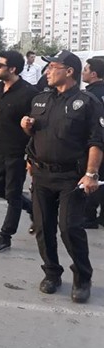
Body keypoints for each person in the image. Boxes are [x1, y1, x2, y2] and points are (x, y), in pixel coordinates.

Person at [21, 50, 103, 303]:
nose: (47, 72)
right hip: (41, 174)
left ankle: (82, 277)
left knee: (69, 228)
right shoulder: (40, 100)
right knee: (43, 228)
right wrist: (27, 130)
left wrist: (91, 174)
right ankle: (51, 273)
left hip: (72, 177)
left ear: (69, 71)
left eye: (52, 67)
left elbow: (96, 141)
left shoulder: (87, 102)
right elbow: (39, 135)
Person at [0, 51, 38, 253]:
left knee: (13, 194)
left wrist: (31, 156)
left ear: (12, 69)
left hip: (18, 152)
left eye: (0, 65)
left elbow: (34, 127)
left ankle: (5, 237)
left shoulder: (29, 93)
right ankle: (32, 208)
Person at [82, 58, 104, 229]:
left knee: (93, 177)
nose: (83, 73)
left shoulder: (90, 96)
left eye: (86, 70)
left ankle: (89, 216)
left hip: (95, 142)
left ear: (94, 74)